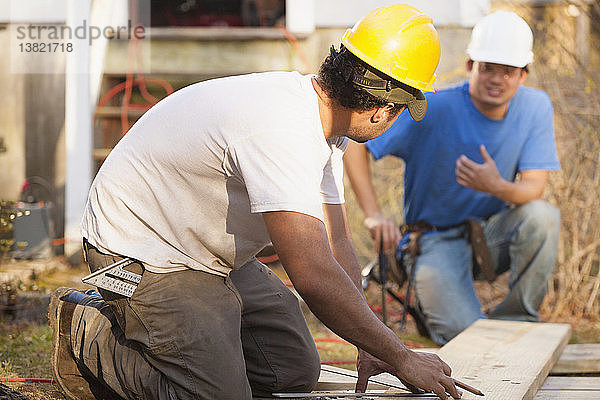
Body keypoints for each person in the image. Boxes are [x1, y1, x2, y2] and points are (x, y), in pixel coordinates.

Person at [48, 5, 462, 400]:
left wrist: (370, 344)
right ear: (381, 108)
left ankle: (197, 349)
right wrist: (402, 358)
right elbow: (313, 275)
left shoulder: (324, 128)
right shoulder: (282, 130)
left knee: (292, 373)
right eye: (402, 111)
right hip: (143, 253)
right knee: (220, 395)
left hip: (205, 252)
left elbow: (336, 245)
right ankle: (85, 329)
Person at [344, 10, 560, 346]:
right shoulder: (431, 107)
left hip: (491, 235)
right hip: (435, 239)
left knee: (543, 216)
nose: (497, 79)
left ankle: (517, 321)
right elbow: (355, 145)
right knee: (468, 340)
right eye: (488, 67)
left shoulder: (535, 107)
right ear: (471, 66)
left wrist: (496, 186)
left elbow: (535, 188)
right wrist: (373, 213)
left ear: (523, 75)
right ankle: (451, 317)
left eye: (509, 71)